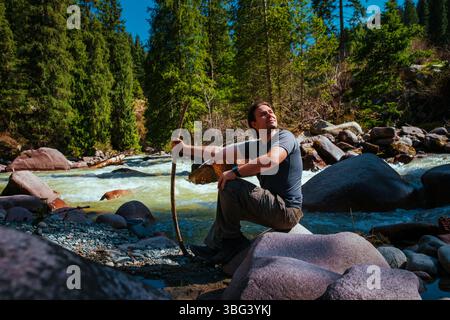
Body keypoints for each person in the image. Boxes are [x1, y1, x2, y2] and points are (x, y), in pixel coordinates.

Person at [172, 101, 303, 264]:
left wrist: (235, 172)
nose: (270, 114)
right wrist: (184, 148)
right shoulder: (257, 145)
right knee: (227, 199)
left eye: (271, 111)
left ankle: (233, 244)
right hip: (272, 207)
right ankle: (216, 246)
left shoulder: (285, 137)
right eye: (264, 113)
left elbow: (272, 159)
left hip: (287, 211)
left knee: (230, 184)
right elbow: (218, 153)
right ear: (254, 124)